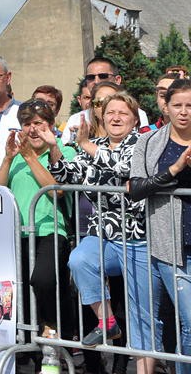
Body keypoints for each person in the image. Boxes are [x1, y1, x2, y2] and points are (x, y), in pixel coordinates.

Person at [48, 92, 157, 367]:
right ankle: (107, 322)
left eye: (123, 113)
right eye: (110, 113)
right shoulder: (92, 144)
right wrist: (54, 148)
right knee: (80, 259)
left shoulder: (143, 144)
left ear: (134, 119)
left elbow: (125, 167)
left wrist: (86, 145)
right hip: (103, 234)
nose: (116, 117)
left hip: (137, 238)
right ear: (101, 117)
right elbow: (68, 175)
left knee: (142, 316)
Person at [0, 99, 76, 339]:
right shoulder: (17, 155)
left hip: (50, 230)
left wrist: (30, 158)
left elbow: (56, 190)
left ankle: (58, 328)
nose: (32, 129)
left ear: (50, 125)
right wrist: (8, 159)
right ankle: (32, 344)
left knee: (43, 281)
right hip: (18, 233)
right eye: (27, 124)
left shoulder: (62, 150)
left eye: (38, 123)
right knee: (19, 290)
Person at [129, 78, 191, 371]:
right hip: (172, 244)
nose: (184, 112)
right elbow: (136, 188)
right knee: (190, 321)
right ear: (165, 106)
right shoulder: (150, 141)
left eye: (190, 105)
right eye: (177, 105)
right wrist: (175, 169)